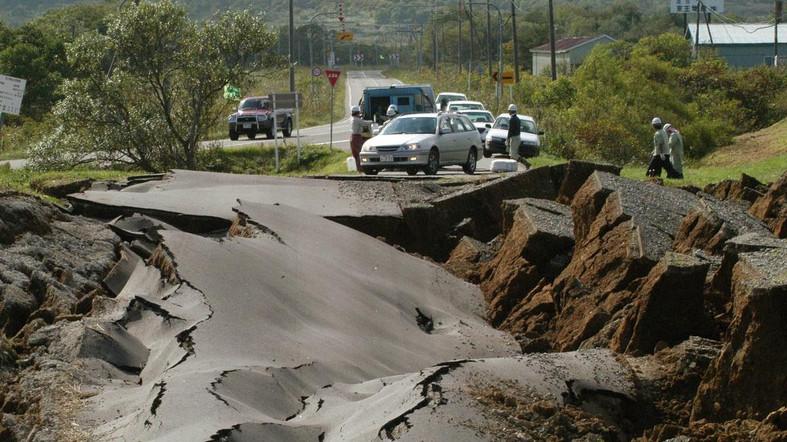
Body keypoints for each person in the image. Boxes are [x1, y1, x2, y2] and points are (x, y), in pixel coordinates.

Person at [350, 105, 365, 170]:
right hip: (357, 137)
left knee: (355, 154)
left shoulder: (352, 119)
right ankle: (360, 168)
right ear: (357, 112)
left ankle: (357, 168)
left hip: (352, 136)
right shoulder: (357, 120)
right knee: (359, 153)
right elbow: (365, 124)